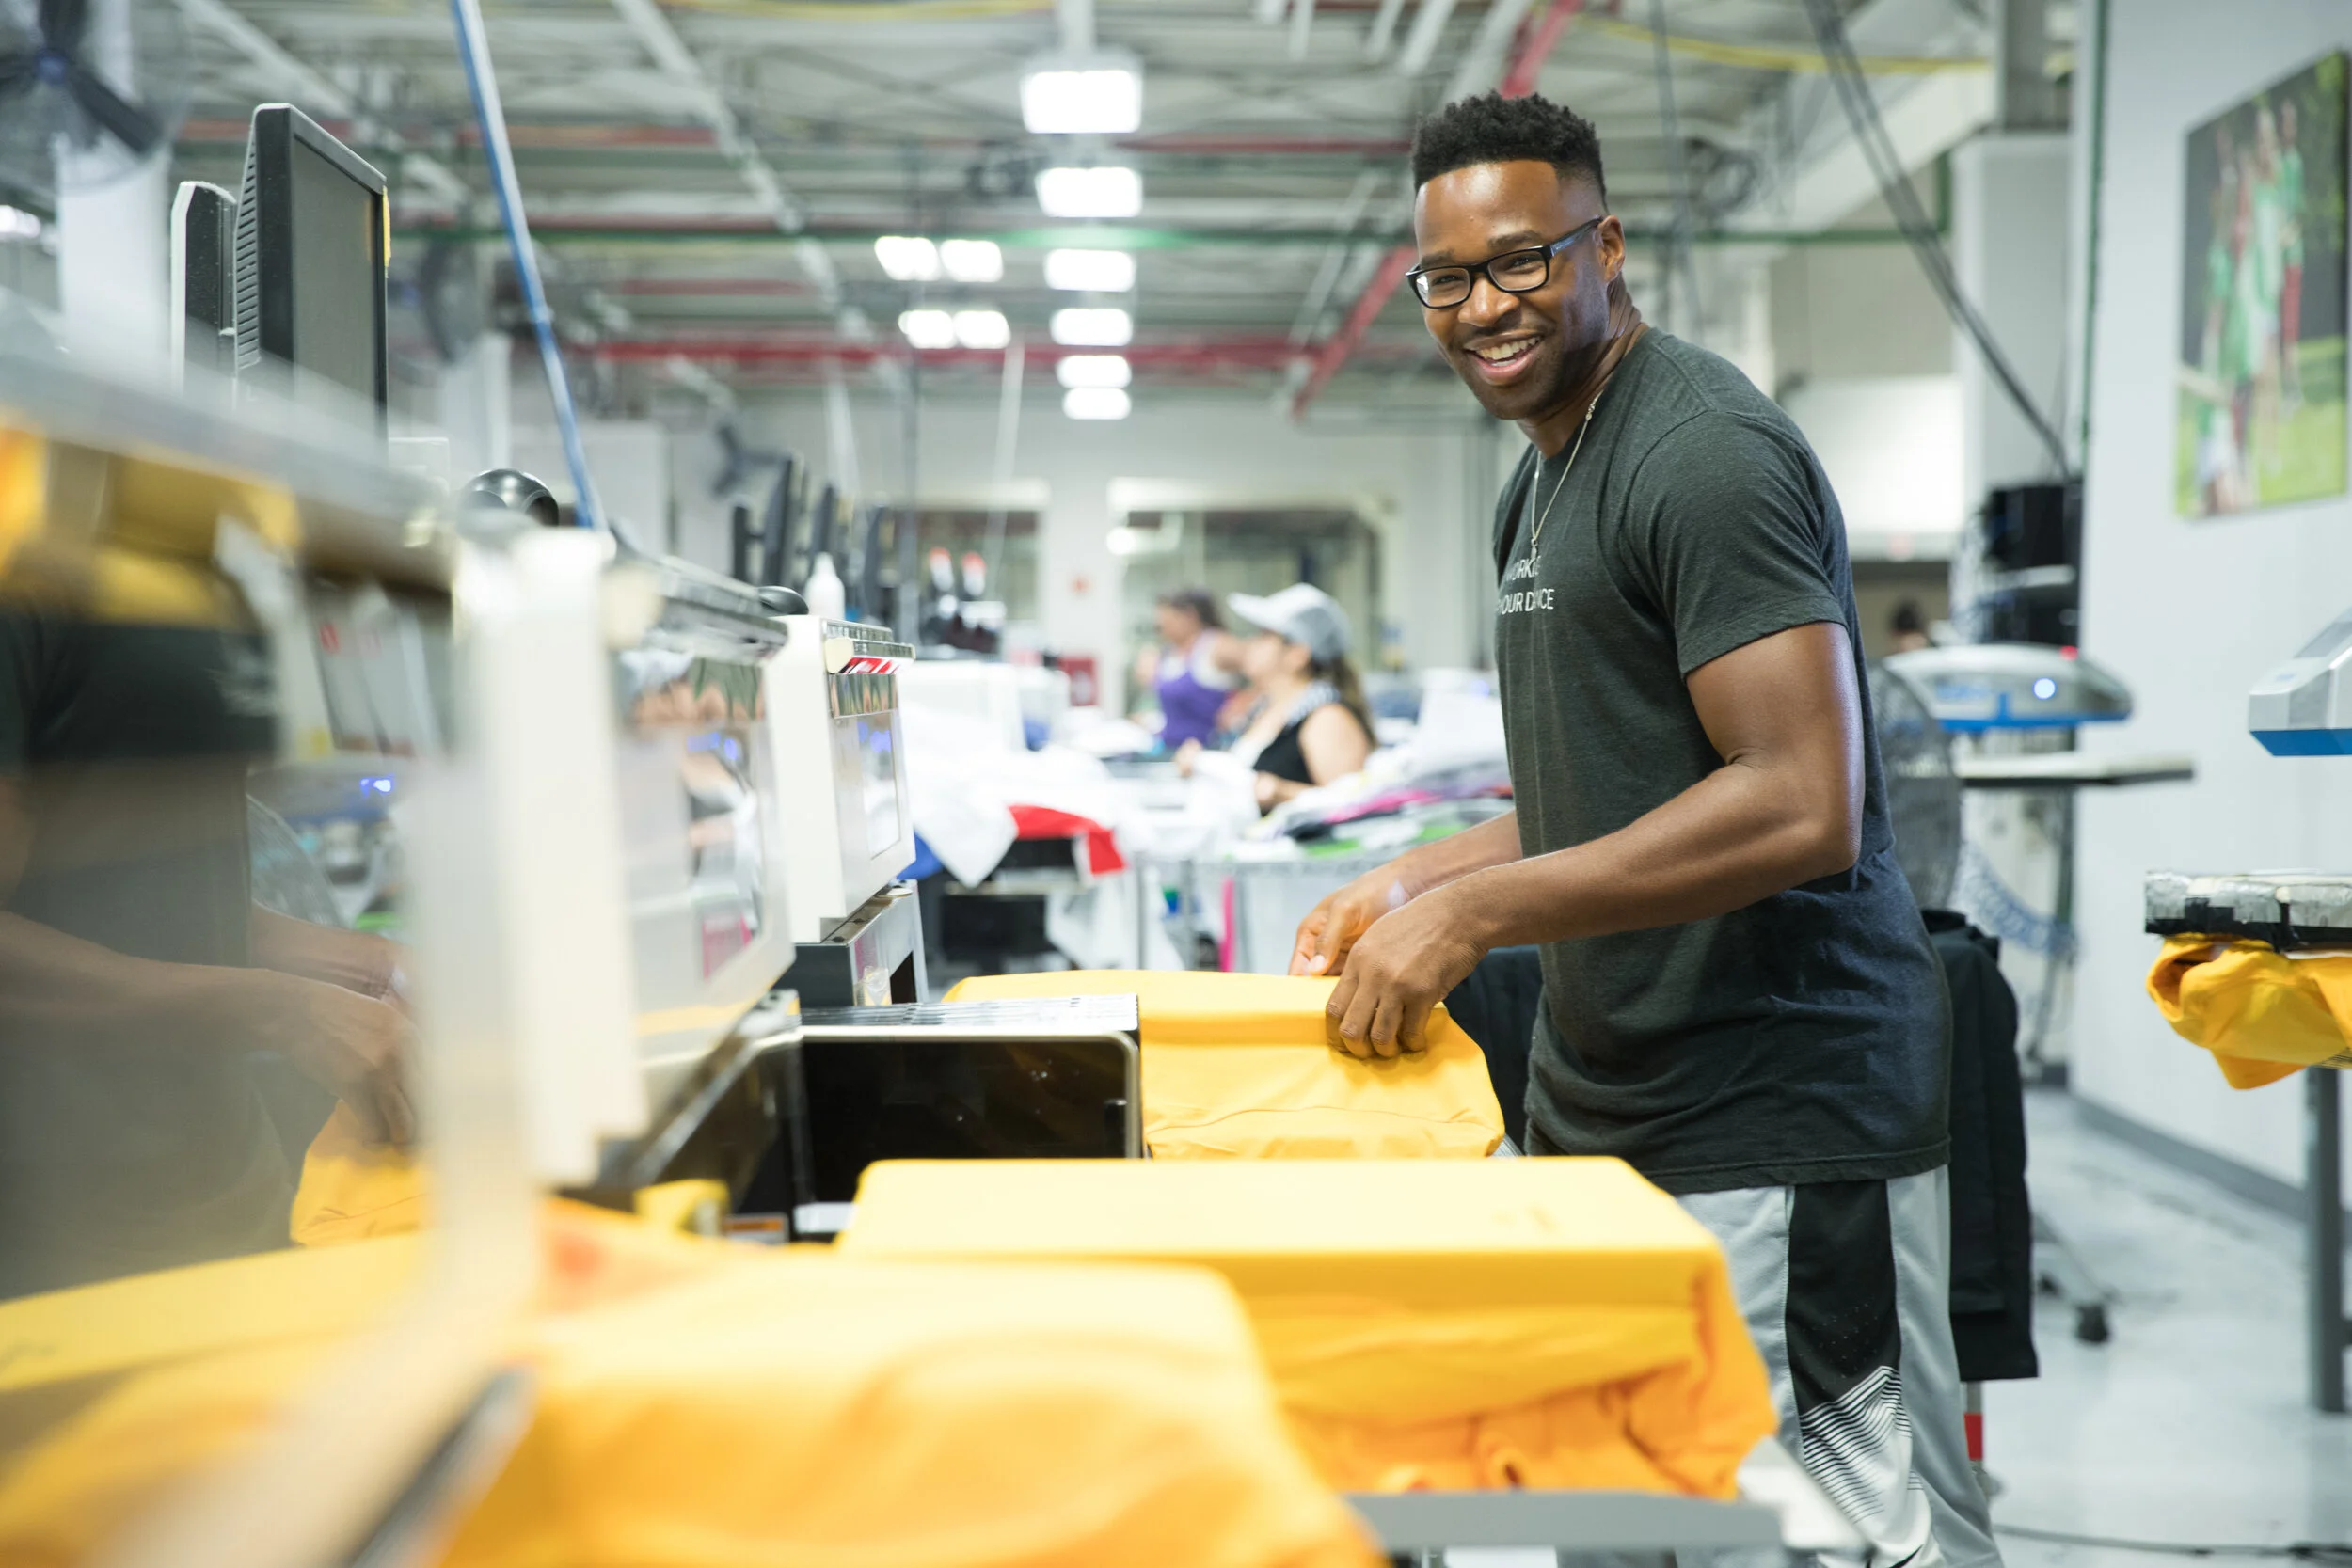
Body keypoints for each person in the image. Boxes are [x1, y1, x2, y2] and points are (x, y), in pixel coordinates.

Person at [1287, 93, 1996, 1568]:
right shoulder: (1541, 482)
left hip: (1777, 1117)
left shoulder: (1703, 453)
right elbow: (1606, 788)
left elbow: (1799, 798)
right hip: (1612, 1115)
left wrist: (1477, 915)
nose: (1485, 305)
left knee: (1819, 1536)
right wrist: (1418, 874)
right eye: (1447, 278)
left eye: (1522, 259)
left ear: (1604, 247)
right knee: (1637, 1526)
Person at [1223, 584, 1374, 812]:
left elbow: (1350, 805)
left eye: (1265, 636)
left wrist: (1282, 792)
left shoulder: (1327, 718)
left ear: (1297, 654)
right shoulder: (1264, 708)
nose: (1251, 643)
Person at [1136, 589, 1241, 752]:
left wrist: (1241, 705)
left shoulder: (1217, 645)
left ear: (1189, 616)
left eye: (1168, 622)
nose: (1163, 630)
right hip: (1170, 748)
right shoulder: (1169, 652)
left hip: (1205, 749)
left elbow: (1259, 669)